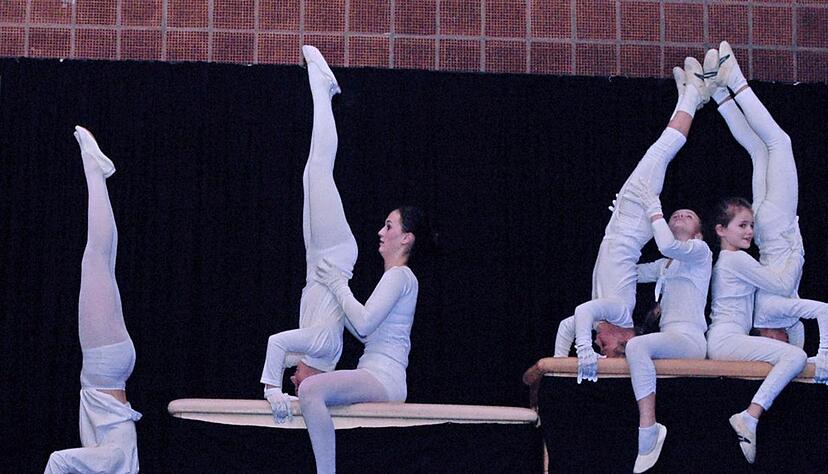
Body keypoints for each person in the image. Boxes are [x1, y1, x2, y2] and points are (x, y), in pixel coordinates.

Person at [554, 58, 710, 384]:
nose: (598, 343)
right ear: (624, 340)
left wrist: (559, 365)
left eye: (595, 344)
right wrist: (583, 350)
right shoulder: (618, 311)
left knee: (659, 152)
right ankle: (694, 96)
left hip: (622, 225)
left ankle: (689, 96)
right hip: (633, 222)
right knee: (663, 149)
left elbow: (569, 324)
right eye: (604, 348)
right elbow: (582, 313)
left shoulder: (604, 319)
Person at [707, 41, 828, 384]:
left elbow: (788, 280)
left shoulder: (772, 311)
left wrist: (799, 249)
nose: (781, 343)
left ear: (767, 334)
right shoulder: (778, 312)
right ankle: (717, 92)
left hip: (777, 229)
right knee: (759, 152)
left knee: (779, 143)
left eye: (779, 342)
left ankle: (734, 80)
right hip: (767, 229)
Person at [259, 44, 359, 423]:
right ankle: (321, 84)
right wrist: (272, 389)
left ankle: (322, 88)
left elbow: (282, 352)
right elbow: (276, 343)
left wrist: (280, 387)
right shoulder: (322, 346)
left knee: (310, 173)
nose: (293, 378)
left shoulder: (317, 352)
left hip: (320, 260)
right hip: (333, 254)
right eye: (296, 382)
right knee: (319, 171)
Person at [301, 205, 429, 474]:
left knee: (311, 390)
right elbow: (364, 332)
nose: (380, 232)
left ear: (407, 238)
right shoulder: (396, 278)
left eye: (389, 226)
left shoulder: (399, 276)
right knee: (312, 393)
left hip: (384, 378)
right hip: (377, 375)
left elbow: (363, 322)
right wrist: (332, 292)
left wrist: (338, 285)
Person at [45, 127, 142, 473]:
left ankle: (97, 173)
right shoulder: (114, 461)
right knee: (96, 259)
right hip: (105, 370)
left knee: (103, 261)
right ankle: (93, 168)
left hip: (112, 370)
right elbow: (58, 461)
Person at [623, 193, 711, 472]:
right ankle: (648, 428)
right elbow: (628, 271)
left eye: (689, 216)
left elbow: (668, 245)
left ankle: (648, 430)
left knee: (636, 347)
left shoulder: (700, 251)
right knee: (637, 347)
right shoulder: (665, 265)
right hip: (671, 337)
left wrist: (654, 211)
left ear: (698, 233)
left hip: (690, 337)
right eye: (676, 215)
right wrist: (622, 231)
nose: (680, 216)